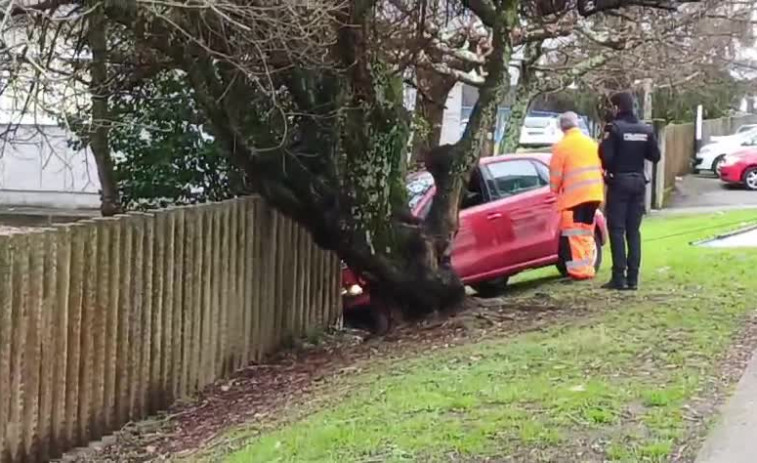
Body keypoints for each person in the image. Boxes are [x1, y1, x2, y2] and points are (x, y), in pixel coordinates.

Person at [599, 92, 661, 290]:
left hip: (619, 182)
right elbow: (655, 156)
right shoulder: (645, 129)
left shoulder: (614, 129)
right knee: (633, 231)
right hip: (638, 182)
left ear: (618, 108)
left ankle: (619, 277)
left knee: (617, 230)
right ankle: (633, 278)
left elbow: (606, 157)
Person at [549, 112, 605, 280]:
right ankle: (588, 268)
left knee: (575, 234)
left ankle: (580, 272)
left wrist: (554, 190)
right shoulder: (591, 143)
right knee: (586, 232)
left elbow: (556, 174)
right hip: (594, 194)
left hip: (575, 197)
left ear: (561, 127)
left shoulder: (561, 147)